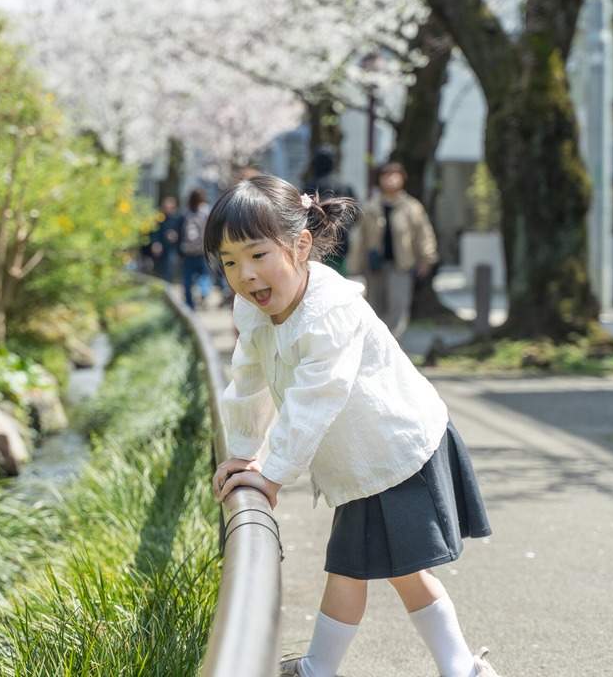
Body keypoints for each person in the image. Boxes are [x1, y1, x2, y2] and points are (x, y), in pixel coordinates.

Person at [204, 175, 499, 677]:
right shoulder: (253, 310)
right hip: (362, 458)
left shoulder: (328, 310)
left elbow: (315, 399)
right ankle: (462, 671)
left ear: (300, 246)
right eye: (229, 262)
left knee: (352, 566)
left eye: (257, 255)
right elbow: (248, 382)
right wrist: (245, 453)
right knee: (397, 572)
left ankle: (320, 669)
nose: (245, 275)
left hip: (395, 448)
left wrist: (271, 475)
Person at [347, 161, 438, 340]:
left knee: (398, 306)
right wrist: (355, 266)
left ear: (403, 178)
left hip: (402, 265)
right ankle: (375, 346)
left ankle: (394, 345)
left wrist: (427, 258)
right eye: (386, 175)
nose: (391, 179)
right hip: (375, 266)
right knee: (374, 308)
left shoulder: (412, 207)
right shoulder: (371, 206)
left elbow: (423, 233)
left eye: (395, 174)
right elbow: (360, 238)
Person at [302, 146, 358, 275]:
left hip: (314, 241)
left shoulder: (309, 186)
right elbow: (356, 214)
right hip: (341, 240)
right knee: (340, 280)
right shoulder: (345, 186)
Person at [179, 187, 210, 309]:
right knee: (204, 274)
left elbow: (179, 234)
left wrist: (179, 253)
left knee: (187, 277)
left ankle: (189, 302)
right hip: (202, 250)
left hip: (188, 251)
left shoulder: (184, 213)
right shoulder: (206, 211)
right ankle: (203, 291)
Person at [148, 195, 181, 282]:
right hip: (161, 248)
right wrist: (155, 243)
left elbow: (181, 232)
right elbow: (154, 232)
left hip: (172, 248)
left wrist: (175, 235)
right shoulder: (160, 218)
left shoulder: (177, 218)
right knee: (160, 270)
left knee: (169, 268)